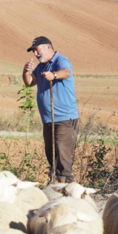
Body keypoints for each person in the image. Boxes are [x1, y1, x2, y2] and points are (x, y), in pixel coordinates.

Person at [22, 36, 79, 183]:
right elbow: (30, 82)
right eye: (33, 51)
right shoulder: (41, 66)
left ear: (48, 47)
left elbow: (66, 72)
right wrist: (25, 72)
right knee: (51, 154)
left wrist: (54, 75)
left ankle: (65, 187)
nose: (35, 53)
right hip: (48, 120)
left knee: (62, 155)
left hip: (64, 119)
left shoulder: (60, 60)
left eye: (37, 49)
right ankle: (55, 182)